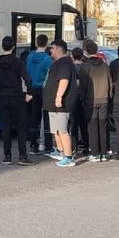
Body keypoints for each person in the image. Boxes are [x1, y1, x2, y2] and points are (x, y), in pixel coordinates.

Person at [0, 36, 32, 165]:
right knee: (21, 127)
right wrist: (29, 93)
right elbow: (27, 79)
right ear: (14, 47)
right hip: (17, 97)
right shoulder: (18, 62)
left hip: (2, 97)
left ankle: (7, 156)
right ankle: (22, 156)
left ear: (2, 47)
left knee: (5, 127)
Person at [43, 40, 78, 168]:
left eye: (52, 48)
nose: (50, 50)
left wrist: (59, 97)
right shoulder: (58, 63)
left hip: (61, 105)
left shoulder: (64, 63)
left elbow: (64, 80)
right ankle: (62, 153)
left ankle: (68, 157)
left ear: (58, 48)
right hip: (53, 104)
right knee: (57, 131)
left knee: (62, 130)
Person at [80, 40, 112, 162]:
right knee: (103, 126)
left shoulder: (85, 66)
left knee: (92, 126)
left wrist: (83, 97)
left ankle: (94, 153)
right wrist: (109, 96)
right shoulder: (104, 65)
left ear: (86, 51)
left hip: (90, 100)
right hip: (104, 99)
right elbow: (109, 81)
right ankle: (104, 153)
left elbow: (83, 85)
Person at [25, 35, 53, 153]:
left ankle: (33, 144)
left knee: (33, 116)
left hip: (31, 89)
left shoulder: (30, 57)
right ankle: (46, 144)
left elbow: (26, 72)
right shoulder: (48, 59)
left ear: (36, 43)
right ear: (46, 43)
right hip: (44, 89)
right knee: (45, 116)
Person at [71, 47, 89, 155]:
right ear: (82, 56)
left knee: (73, 124)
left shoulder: (70, 67)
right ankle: (86, 146)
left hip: (73, 98)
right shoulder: (85, 67)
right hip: (84, 98)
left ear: (72, 56)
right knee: (84, 124)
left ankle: (73, 147)